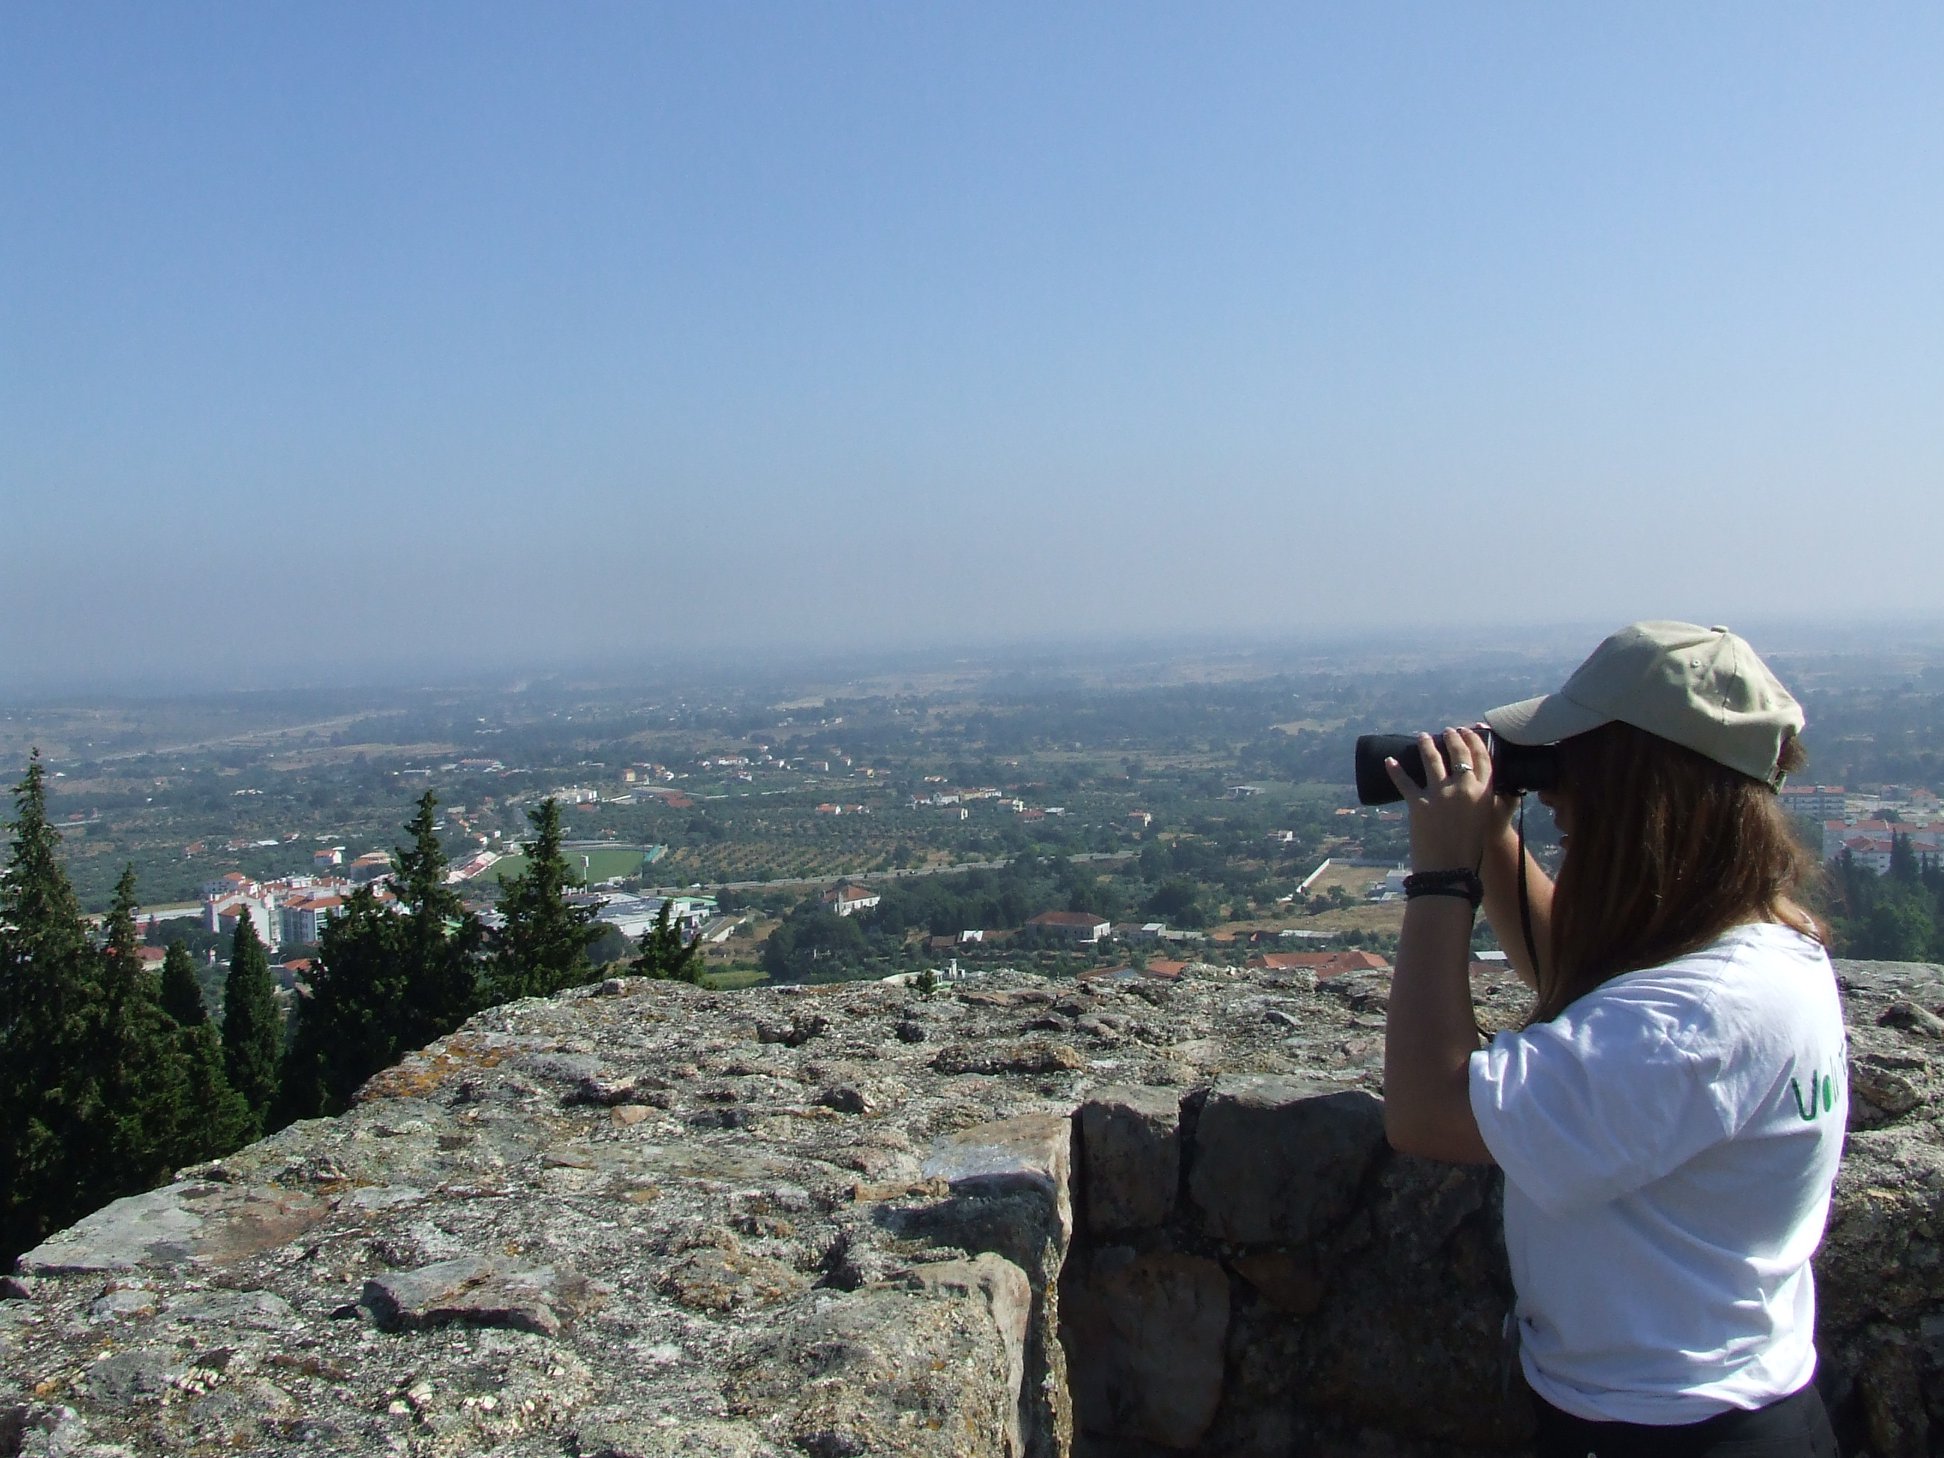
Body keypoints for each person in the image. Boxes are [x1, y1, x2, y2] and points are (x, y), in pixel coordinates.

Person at [1380, 621, 1845, 1458]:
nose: (1555, 789)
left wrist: (1441, 878)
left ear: (1636, 787)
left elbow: (1425, 1110)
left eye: (1570, 761)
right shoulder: (1768, 950)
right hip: (1730, 1409)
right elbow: (1589, 986)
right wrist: (1493, 840)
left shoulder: (1699, 1016)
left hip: (1665, 1432)